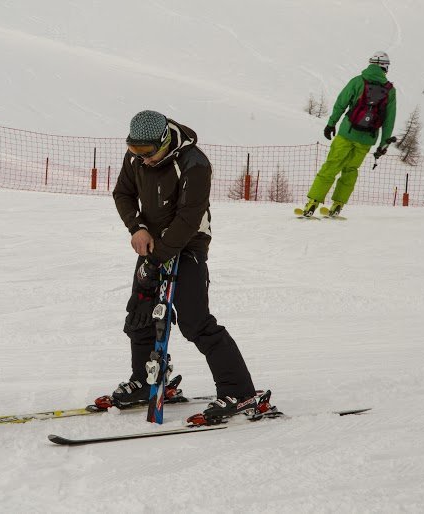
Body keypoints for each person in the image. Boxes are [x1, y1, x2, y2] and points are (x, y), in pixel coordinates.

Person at [102, 110, 269, 422]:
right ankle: (147, 381)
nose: (141, 159)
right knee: (140, 313)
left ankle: (241, 392)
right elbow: (122, 193)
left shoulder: (195, 163)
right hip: (152, 242)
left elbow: (188, 219)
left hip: (188, 242)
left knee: (194, 320)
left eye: (146, 153)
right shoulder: (137, 157)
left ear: (164, 142)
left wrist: (155, 258)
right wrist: (137, 228)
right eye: (134, 151)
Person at [301, 51, 397, 217]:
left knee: (331, 166)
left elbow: (341, 103)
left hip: (347, 133)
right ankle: (337, 205)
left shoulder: (358, 81)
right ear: (385, 67)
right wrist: (383, 145)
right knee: (351, 170)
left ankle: (312, 204)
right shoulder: (390, 91)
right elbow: (389, 120)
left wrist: (331, 123)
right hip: (367, 139)